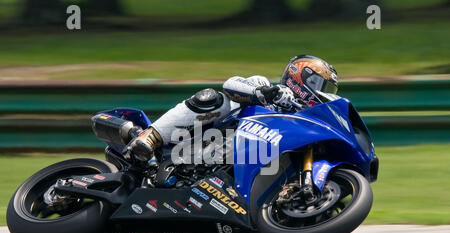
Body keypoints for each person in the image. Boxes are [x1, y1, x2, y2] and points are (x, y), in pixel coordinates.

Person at [126, 54, 339, 162]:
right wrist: (264, 94)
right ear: (301, 77)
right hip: (205, 146)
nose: (322, 92)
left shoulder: (300, 120)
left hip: (245, 163)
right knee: (213, 98)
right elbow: (230, 84)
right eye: (320, 85)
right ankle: (150, 137)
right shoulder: (264, 84)